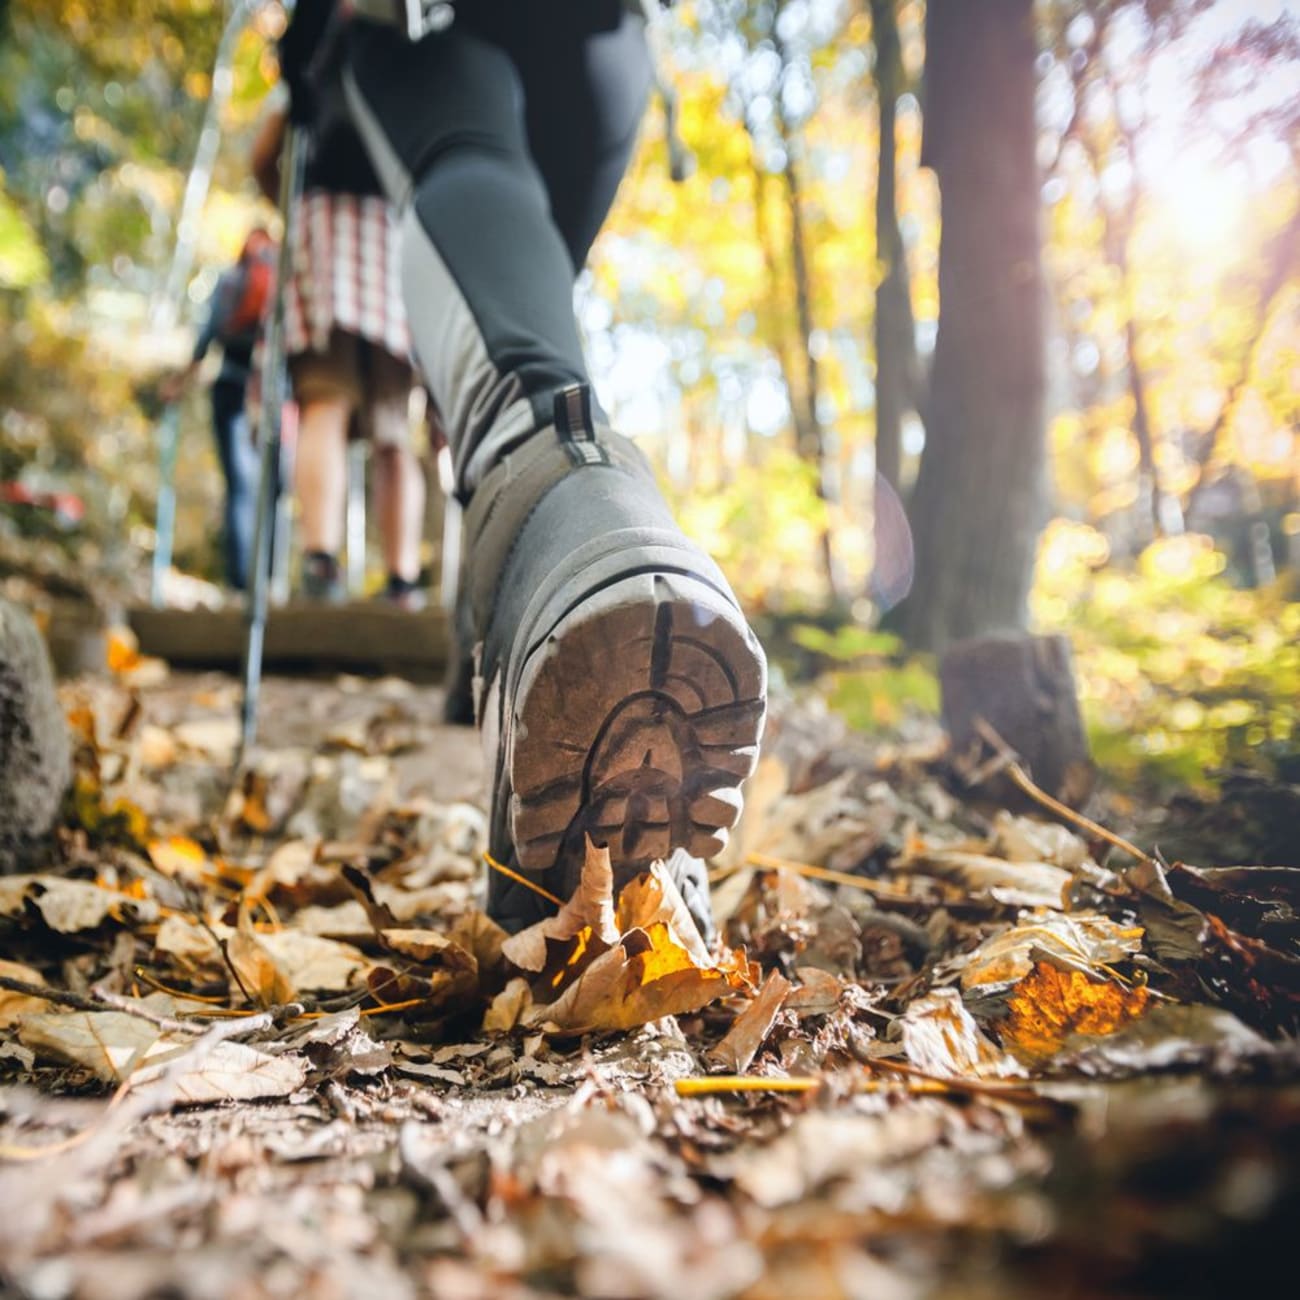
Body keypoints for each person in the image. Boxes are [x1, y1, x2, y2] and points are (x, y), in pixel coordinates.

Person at [279, 0, 767, 939]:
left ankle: (561, 512)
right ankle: (528, 603)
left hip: (426, 29)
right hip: (604, 50)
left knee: (473, 172)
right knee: (524, 289)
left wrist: (309, 50)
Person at [251, 91, 428, 607]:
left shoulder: (319, 47)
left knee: (325, 402)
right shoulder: (412, 54)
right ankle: (403, 579)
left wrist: (294, 200)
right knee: (393, 427)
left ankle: (320, 562)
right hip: (395, 241)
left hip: (321, 229)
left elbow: (263, 157)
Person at [162, 229, 272, 590]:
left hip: (230, 385)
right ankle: (270, 580)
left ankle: (240, 583)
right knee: (272, 487)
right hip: (274, 392)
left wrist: (179, 383)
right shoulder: (284, 277)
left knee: (240, 487)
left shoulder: (229, 279)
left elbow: (208, 334)